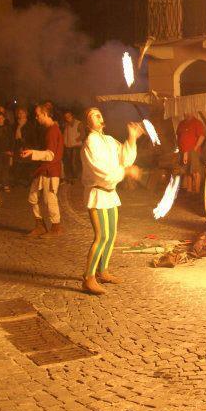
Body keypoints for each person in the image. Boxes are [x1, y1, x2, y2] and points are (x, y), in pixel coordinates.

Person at [81, 107, 142, 295]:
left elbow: (125, 158)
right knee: (101, 237)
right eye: (94, 116)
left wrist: (131, 138)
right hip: (97, 193)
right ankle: (88, 278)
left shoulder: (107, 140)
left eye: (100, 114)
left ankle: (102, 271)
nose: (99, 117)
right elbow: (101, 172)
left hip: (110, 193)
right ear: (87, 123)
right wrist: (125, 172)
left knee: (112, 235)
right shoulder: (90, 142)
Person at [21, 104, 65, 238]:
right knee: (33, 197)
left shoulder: (53, 131)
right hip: (44, 170)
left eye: (38, 115)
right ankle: (40, 226)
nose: (36, 117)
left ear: (45, 114)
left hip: (50, 171)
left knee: (49, 199)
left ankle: (56, 227)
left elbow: (51, 155)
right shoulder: (49, 130)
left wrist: (32, 153)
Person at [177, 112, 206, 193]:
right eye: (185, 112)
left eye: (188, 111)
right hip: (183, 150)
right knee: (187, 171)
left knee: (195, 170)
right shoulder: (181, 123)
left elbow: (202, 136)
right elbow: (179, 136)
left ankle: (196, 191)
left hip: (193, 151)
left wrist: (196, 147)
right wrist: (180, 148)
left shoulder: (197, 123)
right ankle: (189, 190)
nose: (186, 113)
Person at [61, 110, 85, 184]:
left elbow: (83, 135)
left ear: (72, 116)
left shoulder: (79, 123)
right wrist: (64, 142)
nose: (67, 118)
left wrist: (75, 141)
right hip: (68, 146)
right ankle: (71, 177)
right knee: (69, 161)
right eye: (66, 117)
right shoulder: (66, 125)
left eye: (68, 116)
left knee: (74, 161)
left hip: (76, 146)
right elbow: (64, 135)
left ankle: (75, 177)